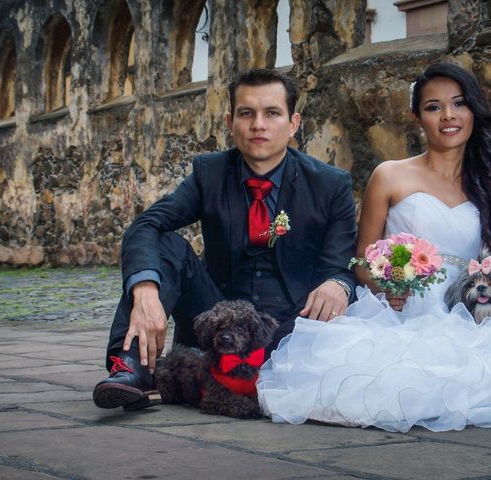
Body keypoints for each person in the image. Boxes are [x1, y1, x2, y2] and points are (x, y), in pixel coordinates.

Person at [257, 63, 491, 432]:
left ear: (473, 110)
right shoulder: (389, 175)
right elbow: (361, 258)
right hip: (400, 307)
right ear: (417, 116)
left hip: (465, 309)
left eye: (458, 104)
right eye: (433, 107)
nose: (448, 116)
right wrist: (389, 288)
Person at [93, 68, 358, 411]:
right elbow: (146, 226)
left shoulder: (329, 184)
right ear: (231, 121)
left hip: (291, 325)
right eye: (247, 113)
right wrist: (144, 289)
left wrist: (338, 283)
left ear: (293, 124)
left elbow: (343, 265)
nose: (258, 124)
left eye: (272, 113)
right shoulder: (210, 173)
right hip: (216, 318)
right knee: (165, 244)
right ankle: (129, 368)